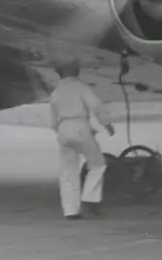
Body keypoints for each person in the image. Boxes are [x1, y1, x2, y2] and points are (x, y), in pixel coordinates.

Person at [47, 61, 114, 219]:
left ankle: (70, 211)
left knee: (67, 171)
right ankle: (90, 197)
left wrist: (62, 132)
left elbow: (52, 122)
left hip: (63, 129)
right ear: (73, 71)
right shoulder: (81, 87)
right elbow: (96, 106)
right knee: (97, 164)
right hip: (80, 126)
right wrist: (106, 124)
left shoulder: (55, 93)